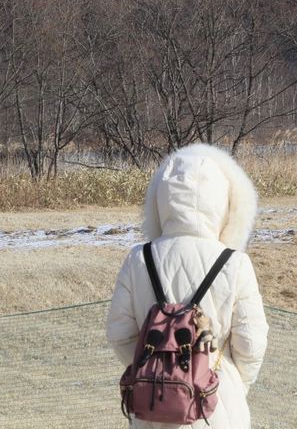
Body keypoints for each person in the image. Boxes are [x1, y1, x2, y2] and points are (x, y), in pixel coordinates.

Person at [106, 143, 269, 429]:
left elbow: (119, 334)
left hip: (151, 406)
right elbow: (251, 344)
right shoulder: (234, 263)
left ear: (161, 199)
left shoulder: (139, 258)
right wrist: (232, 381)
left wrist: (155, 366)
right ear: (223, 202)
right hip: (215, 403)